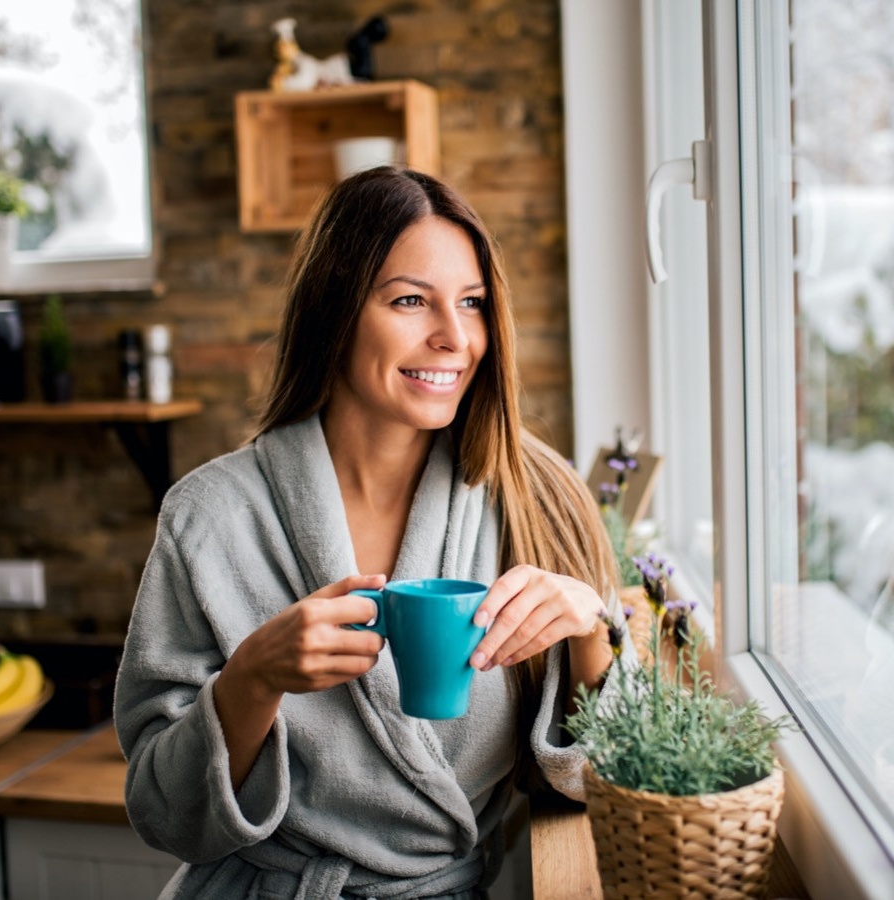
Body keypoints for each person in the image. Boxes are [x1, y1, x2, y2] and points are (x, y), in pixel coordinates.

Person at [114, 167, 624, 900]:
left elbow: (602, 778)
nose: (454, 337)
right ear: (336, 310)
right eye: (411, 300)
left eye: (473, 303)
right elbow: (165, 814)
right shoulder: (210, 516)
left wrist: (587, 632)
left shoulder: (534, 496)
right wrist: (251, 680)